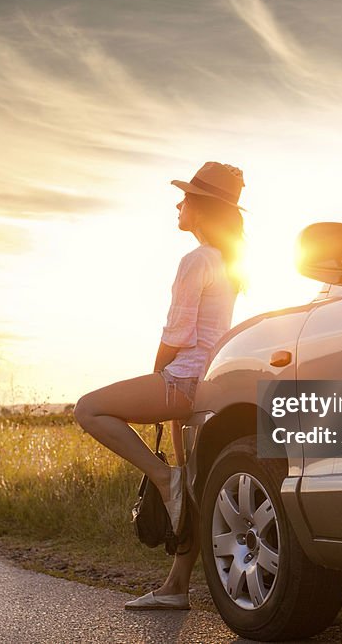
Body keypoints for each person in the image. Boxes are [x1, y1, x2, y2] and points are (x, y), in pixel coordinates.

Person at [74, 161, 246, 610]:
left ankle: (159, 475)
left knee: (88, 409)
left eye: (185, 197)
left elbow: (177, 335)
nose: (178, 203)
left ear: (202, 207)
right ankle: (175, 587)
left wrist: (157, 375)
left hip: (183, 380)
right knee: (191, 486)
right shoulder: (228, 262)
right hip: (207, 383)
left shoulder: (196, 259)